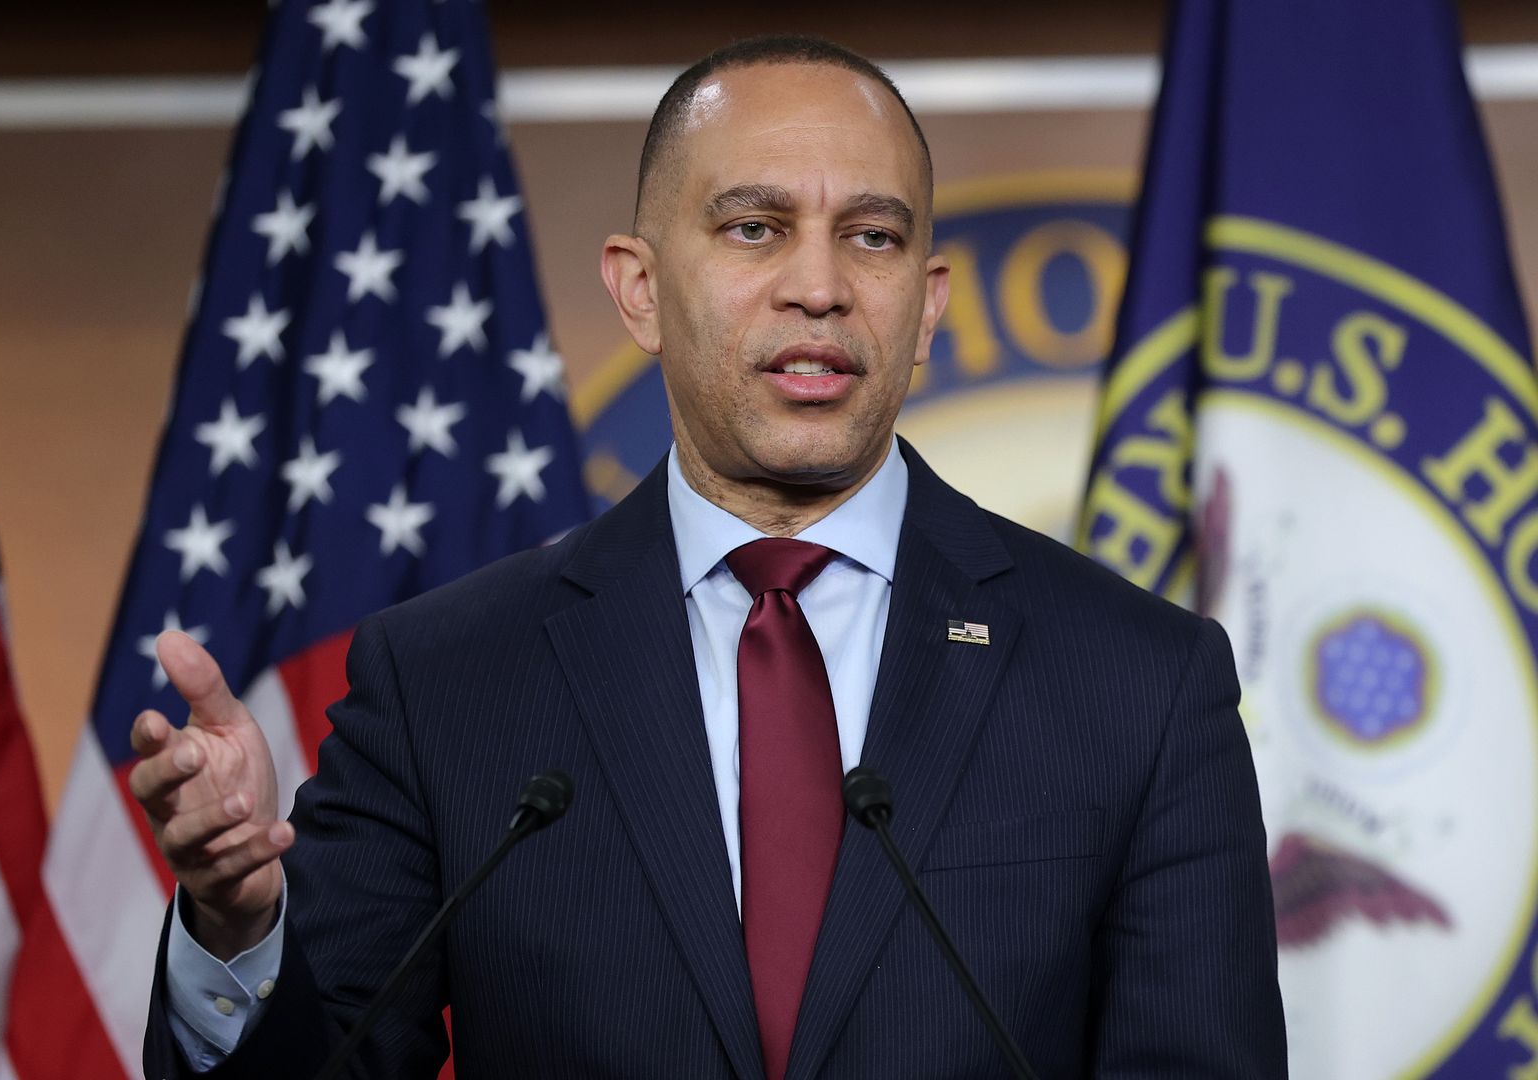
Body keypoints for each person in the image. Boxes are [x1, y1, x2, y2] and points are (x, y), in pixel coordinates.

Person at [131, 34, 1286, 1080]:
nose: (820, 286)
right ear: (640, 289)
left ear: (926, 308)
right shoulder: (445, 682)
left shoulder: (1139, 683)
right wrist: (236, 923)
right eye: (755, 228)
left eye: (872, 237)